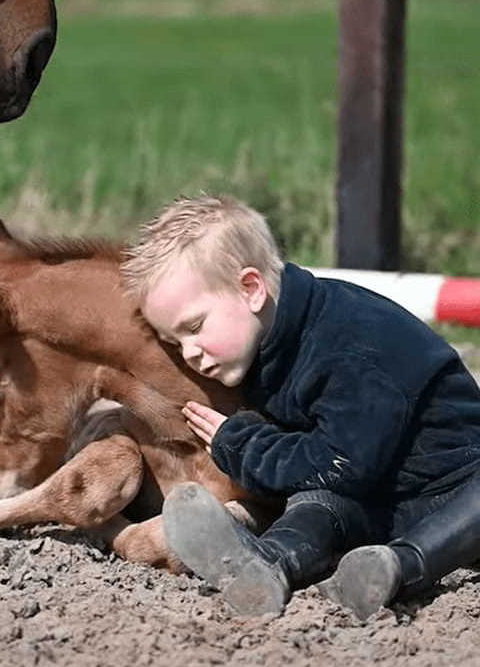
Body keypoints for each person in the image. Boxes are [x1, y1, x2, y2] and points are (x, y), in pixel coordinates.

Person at [120, 194, 480, 620]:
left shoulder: (350, 344)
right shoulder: (270, 345)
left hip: (460, 486)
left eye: (194, 328)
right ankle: (267, 564)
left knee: (328, 484)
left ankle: (397, 568)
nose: (190, 352)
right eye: (175, 343)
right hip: (384, 501)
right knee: (318, 502)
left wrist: (242, 446)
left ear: (250, 289)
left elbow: (340, 463)